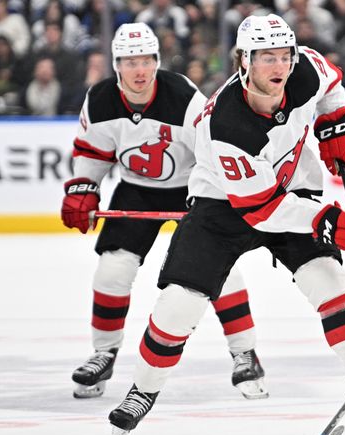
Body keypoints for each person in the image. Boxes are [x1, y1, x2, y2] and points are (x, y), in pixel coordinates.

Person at [107, 14, 345, 435]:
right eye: (266, 59)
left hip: (291, 188)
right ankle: (142, 391)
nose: (279, 68)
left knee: (329, 280)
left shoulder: (307, 69)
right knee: (178, 305)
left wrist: (336, 125)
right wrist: (331, 223)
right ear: (244, 61)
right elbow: (262, 211)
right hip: (222, 207)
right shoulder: (226, 125)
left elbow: (331, 84)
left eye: (284, 56)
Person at [61, 22, 267, 401]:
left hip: (191, 188)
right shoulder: (101, 99)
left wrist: (222, 196)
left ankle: (245, 353)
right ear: (116, 65)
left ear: (157, 61)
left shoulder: (182, 97)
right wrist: (84, 188)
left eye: (146, 60)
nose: (139, 70)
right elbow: (92, 152)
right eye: (129, 61)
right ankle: (103, 354)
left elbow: (211, 147)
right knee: (112, 271)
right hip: (136, 192)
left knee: (219, 270)